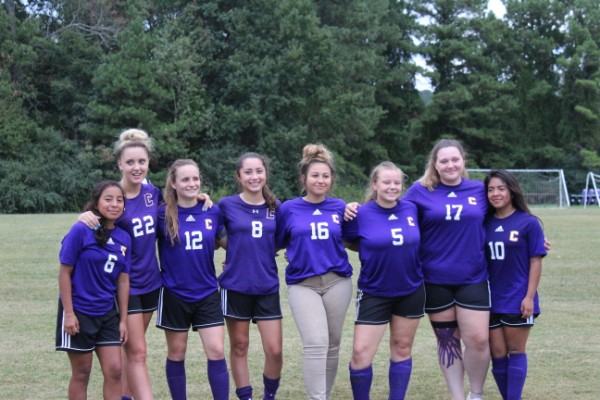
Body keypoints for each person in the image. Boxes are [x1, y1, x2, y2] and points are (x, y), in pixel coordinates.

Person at [401, 139, 490, 400]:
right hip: (434, 279)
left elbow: (507, 217)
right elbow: (390, 209)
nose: (450, 165)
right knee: (448, 341)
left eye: (455, 159)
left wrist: (532, 240)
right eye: (444, 161)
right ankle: (457, 396)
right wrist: (354, 210)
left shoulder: (479, 190)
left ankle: (476, 393)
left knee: (477, 340)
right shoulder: (420, 191)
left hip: (473, 277)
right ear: (435, 164)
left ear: (463, 161)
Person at [79, 129, 162, 400]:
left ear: (149, 162)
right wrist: (84, 217)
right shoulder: (113, 198)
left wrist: (201, 198)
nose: (136, 167)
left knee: (131, 350)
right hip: (126, 286)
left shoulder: (154, 193)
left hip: (152, 282)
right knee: (138, 352)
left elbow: (178, 208)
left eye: (141, 161)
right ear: (119, 164)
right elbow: (89, 224)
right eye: (130, 162)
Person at [275, 143, 353, 400]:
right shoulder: (289, 208)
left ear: (331, 179)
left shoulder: (340, 207)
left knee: (332, 345)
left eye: (325, 176)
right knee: (316, 343)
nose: (321, 180)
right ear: (304, 178)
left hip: (337, 282)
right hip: (303, 284)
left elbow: (356, 238)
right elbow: (274, 242)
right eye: (315, 175)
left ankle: (324, 395)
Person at [342, 162, 425, 400]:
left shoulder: (412, 209)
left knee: (401, 348)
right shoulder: (359, 213)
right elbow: (344, 243)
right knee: (360, 354)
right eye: (386, 182)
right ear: (375, 184)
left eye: (397, 182)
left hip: (410, 290)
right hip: (374, 291)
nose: (392, 187)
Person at [155, 159, 229, 400]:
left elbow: (227, 243)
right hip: (174, 292)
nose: (192, 183)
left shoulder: (212, 210)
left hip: (207, 290)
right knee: (177, 353)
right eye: (185, 179)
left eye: (195, 178)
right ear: (173, 183)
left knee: (217, 351)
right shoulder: (162, 214)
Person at [55, 181, 131, 400]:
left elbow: (123, 281)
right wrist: (69, 314)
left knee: (115, 370)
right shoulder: (81, 229)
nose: (114, 204)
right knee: (82, 372)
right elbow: (64, 273)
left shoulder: (124, 237)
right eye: (108, 199)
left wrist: (123, 320)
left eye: (119, 200)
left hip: (107, 313)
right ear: (97, 202)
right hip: (79, 311)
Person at [218, 152, 283, 400]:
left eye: (259, 171)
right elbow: (216, 235)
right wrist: (235, 254)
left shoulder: (275, 207)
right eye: (248, 172)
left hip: (266, 285)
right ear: (239, 176)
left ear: (265, 174)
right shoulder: (226, 204)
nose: (254, 176)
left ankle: (269, 396)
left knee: (275, 350)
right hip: (235, 286)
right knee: (240, 346)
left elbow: (280, 241)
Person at [484, 169, 546, 400]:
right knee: (498, 355)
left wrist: (529, 296)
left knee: (515, 351)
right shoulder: (483, 222)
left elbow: (535, 260)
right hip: (489, 298)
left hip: (518, 297)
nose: (496, 193)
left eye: (501, 188)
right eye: (491, 189)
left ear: (512, 190)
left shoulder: (528, 223)